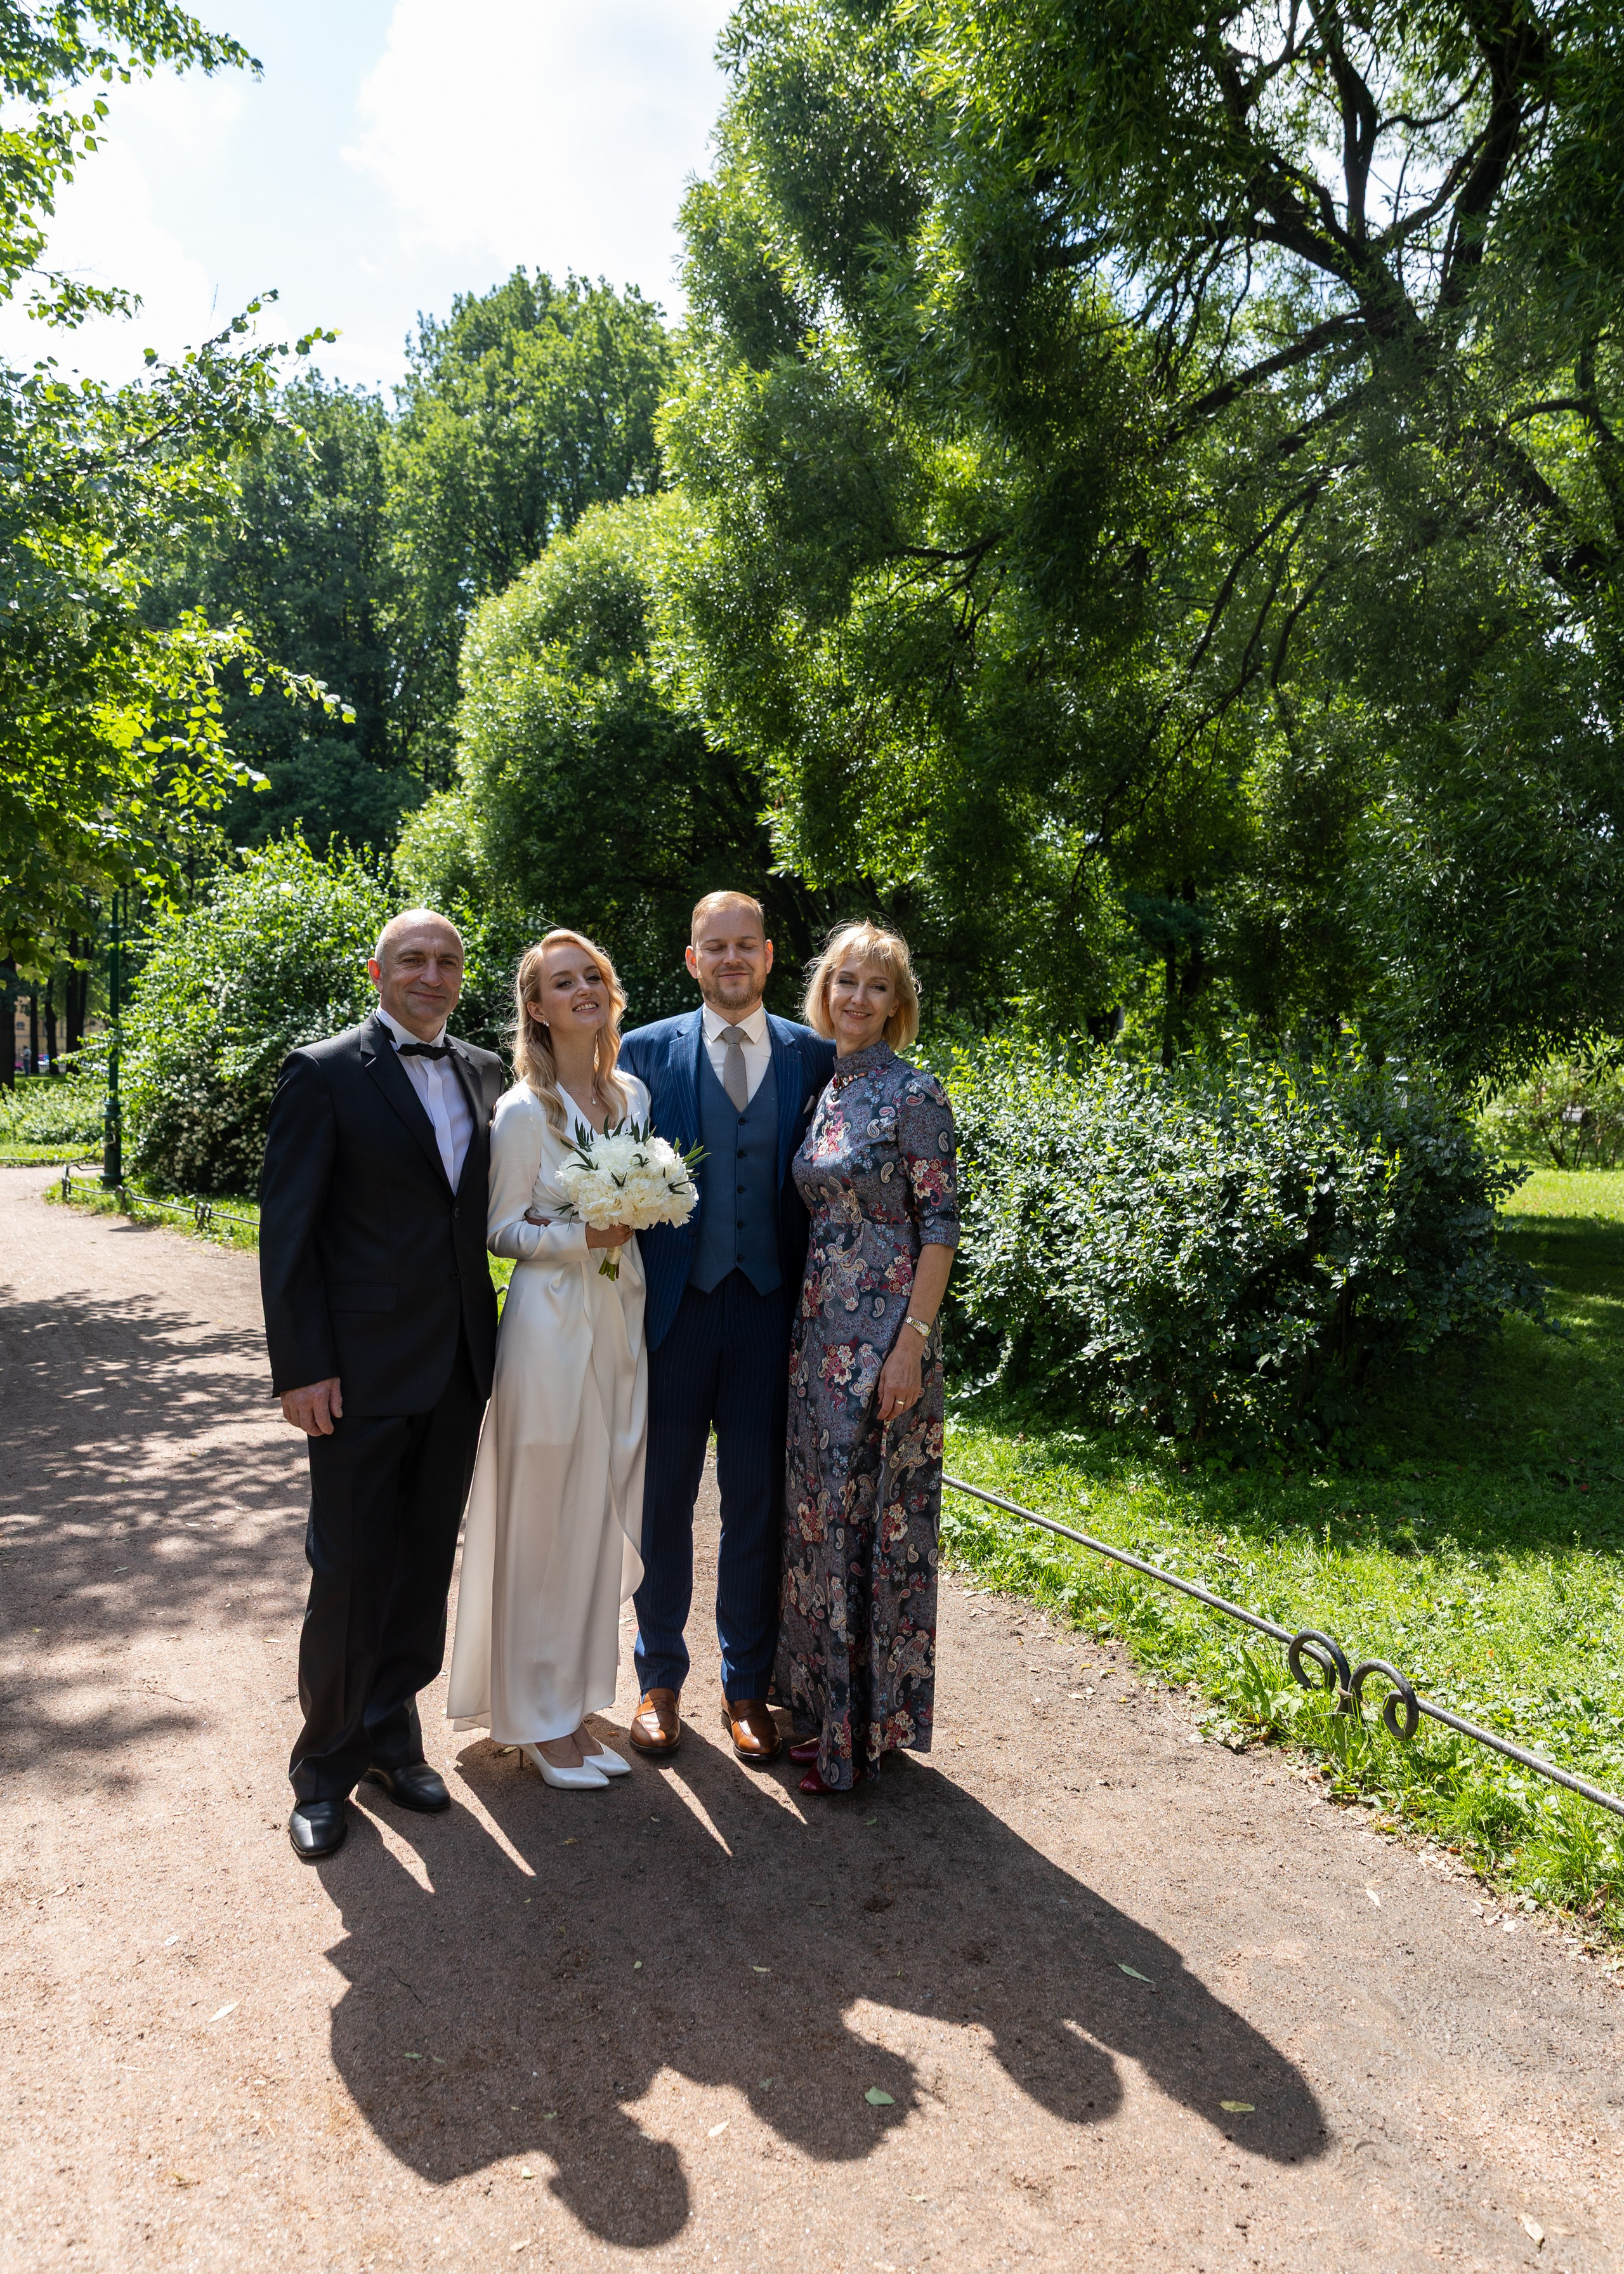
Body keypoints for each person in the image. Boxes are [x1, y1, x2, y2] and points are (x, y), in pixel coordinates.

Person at [259, 910, 505, 1860]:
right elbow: (290, 1234)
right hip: (354, 1377)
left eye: (446, 961)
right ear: (378, 971)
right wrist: (302, 1367)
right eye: (413, 959)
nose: (431, 974)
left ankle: (393, 1743)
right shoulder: (322, 1073)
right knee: (349, 1572)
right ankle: (322, 1768)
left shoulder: (485, 1072)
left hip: (455, 1369)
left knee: (416, 1566)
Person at [617, 891, 835, 1761]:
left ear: (771, 956)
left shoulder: (814, 1057)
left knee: (756, 1503)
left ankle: (746, 1687)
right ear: (692, 957)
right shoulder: (642, 1052)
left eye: (747, 945)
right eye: (717, 946)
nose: (732, 959)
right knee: (661, 1502)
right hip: (673, 1313)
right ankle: (658, 1682)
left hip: (770, 1315)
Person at [445, 930, 648, 1791]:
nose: (583, 991)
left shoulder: (630, 1091)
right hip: (547, 1326)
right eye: (562, 983)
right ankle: (528, 1720)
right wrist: (581, 1236)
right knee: (540, 1519)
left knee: (595, 1512)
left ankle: (571, 1701)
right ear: (536, 1007)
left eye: (592, 976)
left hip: (619, 1316)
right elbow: (499, 1230)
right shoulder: (523, 1111)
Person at [776, 921, 959, 1796]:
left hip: (885, 1338)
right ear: (826, 991)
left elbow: (942, 1230)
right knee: (822, 1524)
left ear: (899, 1003)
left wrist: (910, 1350)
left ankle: (862, 1734)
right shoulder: (829, 1089)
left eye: (876, 987)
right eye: (845, 981)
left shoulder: (914, 1094)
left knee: (867, 1526)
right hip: (818, 1337)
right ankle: (829, 1715)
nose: (857, 998)